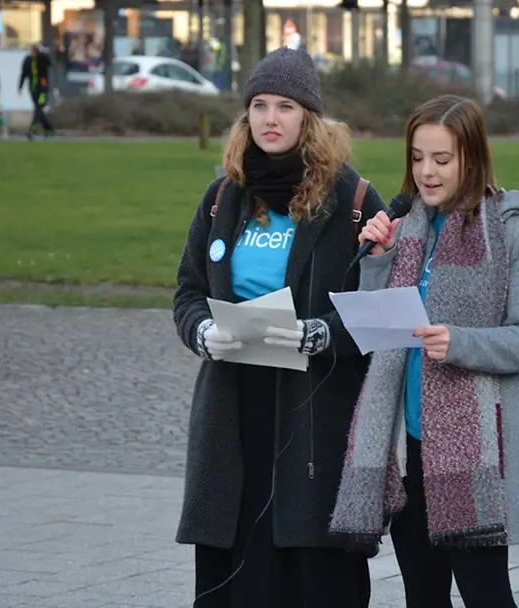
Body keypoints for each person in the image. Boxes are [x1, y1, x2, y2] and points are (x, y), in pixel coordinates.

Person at [172, 47, 387, 608]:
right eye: (259, 105)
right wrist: (201, 332)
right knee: (235, 559)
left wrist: (320, 334)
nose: (270, 118)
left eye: (285, 106)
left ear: (308, 117)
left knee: (310, 568)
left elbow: (382, 312)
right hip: (233, 403)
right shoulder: (223, 196)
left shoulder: (353, 202)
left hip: (312, 406)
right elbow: (188, 292)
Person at [329, 94, 519, 608]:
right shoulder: (409, 228)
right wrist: (379, 259)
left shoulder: (512, 226)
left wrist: (461, 343)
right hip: (408, 451)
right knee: (422, 597)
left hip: (475, 460)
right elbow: (380, 331)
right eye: (417, 157)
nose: (425, 173)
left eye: (442, 160)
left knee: (486, 594)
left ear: (472, 157)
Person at [18, 44, 54, 139]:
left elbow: (51, 63)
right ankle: (49, 128)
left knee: (39, 107)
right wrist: (20, 86)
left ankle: (32, 129)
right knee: (39, 109)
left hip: (43, 87)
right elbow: (23, 74)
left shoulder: (42, 59)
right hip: (33, 88)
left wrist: (44, 54)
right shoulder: (27, 61)